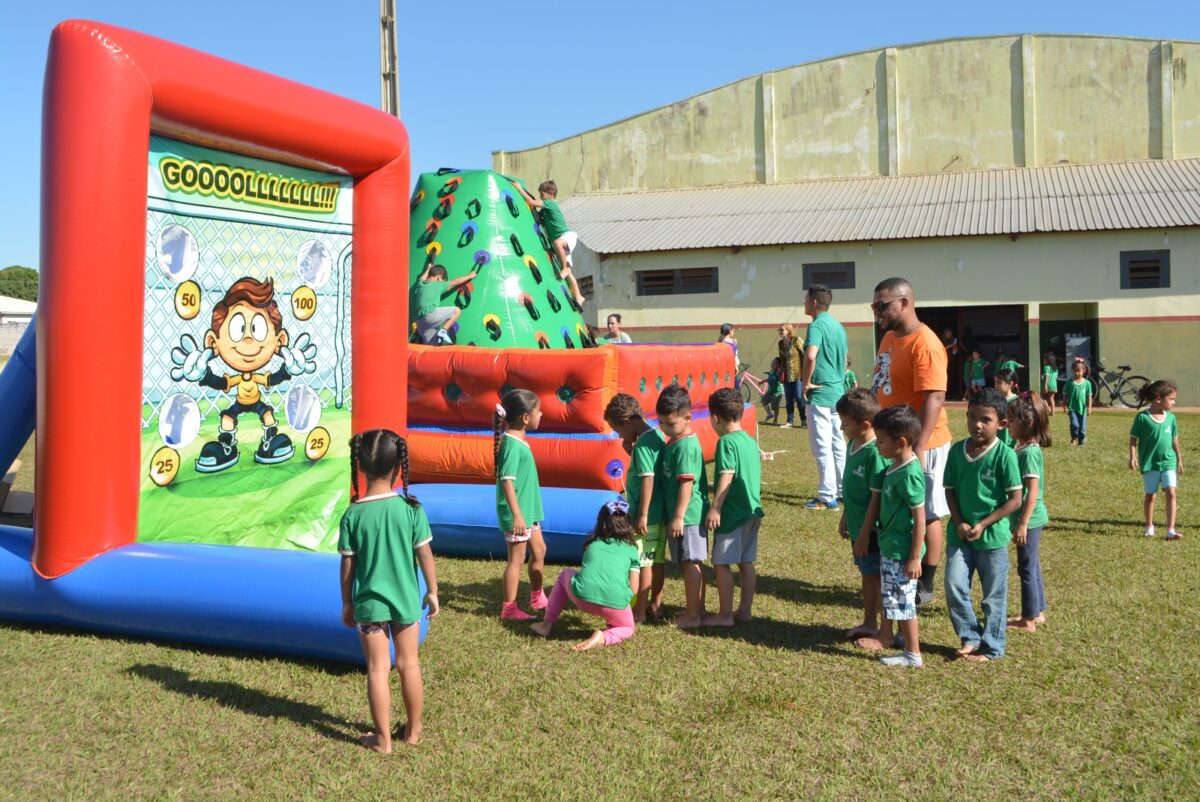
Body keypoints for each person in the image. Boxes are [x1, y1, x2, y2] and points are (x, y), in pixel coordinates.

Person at [339, 429, 439, 752]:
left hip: (369, 606)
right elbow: (425, 555)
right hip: (407, 603)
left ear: (361, 467)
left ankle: (383, 740)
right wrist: (433, 591)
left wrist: (347, 602)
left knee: (377, 669)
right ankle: (413, 732)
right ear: (398, 467)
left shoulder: (353, 515)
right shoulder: (411, 509)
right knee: (409, 664)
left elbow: (347, 568)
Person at [869, 277, 949, 607]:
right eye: (874, 306)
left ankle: (925, 582)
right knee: (900, 508)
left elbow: (935, 396)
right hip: (894, 442)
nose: (877, 313)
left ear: (904, 303)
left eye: (882, 305)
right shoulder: (889, 337)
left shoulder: (924, 343)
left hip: (922, 444)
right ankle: (904, 569)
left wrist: (918, 445)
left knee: (926, 512)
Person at [943, 389, 1023, 662]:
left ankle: (992, 647)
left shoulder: (1005, 456)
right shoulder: (956, 452)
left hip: (992, 539)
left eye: (985, 419)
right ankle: (970, 635)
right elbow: (950, 490)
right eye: (972, 417)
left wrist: (984, 524)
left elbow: (1015, 499)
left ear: (1001, 423)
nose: (977, 424)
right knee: (954, 585)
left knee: (993, 597)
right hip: (959, 536)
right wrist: (959, 521)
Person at [531, 500, 640, 650]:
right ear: (628, 525)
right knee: (628, 628)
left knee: (565, 574)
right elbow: (634, 590)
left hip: (582, 597)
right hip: (616, 604)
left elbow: (590, 573)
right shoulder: (632, 550)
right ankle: (603, 637)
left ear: (601, 523)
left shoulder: (593, 544)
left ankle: (546, 624)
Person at [866, 406, 927, 668]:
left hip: (903, 553)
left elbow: (921, 518)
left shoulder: (910, 474)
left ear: (901, 442)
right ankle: (906, 646)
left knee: (903, 603)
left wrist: (914, 558)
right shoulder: (894, 466)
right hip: (891, 547)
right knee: (895, 600)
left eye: (881, 440)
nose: (877, 445)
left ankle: (913, 655)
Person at [703, 388, 765, 626]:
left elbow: (727, 476)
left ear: (715, 417)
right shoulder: (749, 440)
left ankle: (725, 614)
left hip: (733, 513)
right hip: (752, 511)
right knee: (746, 562)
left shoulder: (726, 442)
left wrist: (715, 507)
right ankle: (745, 611)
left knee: (721, 562)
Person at [603, 394, 667, 621]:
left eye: (618, 430)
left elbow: (648, 479)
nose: (619, 435)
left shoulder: (643, 444)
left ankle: (638, 612)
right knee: (656, 561)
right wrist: (631, 451)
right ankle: (655, 605)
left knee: (643, 563)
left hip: (647, 516)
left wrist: (642, 514)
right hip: (660, 513)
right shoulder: (655, 435)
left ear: (627, 422)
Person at [837, 389, 889, 642]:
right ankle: (869, 622)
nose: (840, 427)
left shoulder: (875, 454)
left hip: (873, 532)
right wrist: (846, 515)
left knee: (877, 577)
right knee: (868, 576)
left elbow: (877, 499)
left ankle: (882, 628)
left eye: (845, 423)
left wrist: (865, 534)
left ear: (865, 425)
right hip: (858, 528)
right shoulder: (852, 443)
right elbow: (851, 489)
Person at [657, 384, 710, 629]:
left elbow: (687, 484)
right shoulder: (676, 441)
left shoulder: (686, 446)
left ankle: (693, 615)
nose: (665, 429)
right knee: (688, 562)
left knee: (691, 562)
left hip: (688, 516)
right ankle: (696, 608)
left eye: (670, 424)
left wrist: (678, 517)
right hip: (683, 516)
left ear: (688, 418)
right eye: (661, 423)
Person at [494, 388, 547, 620]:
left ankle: (537, 595)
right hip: (518, 514)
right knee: (516, 559)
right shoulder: (511, 446)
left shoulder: (518, 441)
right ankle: (509, 608)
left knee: (540, 550)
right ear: (526, 417)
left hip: (528, 510)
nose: (541, 414)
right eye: (538, 411)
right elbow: (507, 481)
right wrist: (517, 515)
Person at [1006, 394, 1052, 633]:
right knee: (1032, 565)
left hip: (1030, 520)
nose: (1007, 424)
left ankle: (1028, 621)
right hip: (1027, 519)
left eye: (1011, 420)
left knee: (1025, 567)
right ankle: (1037, 610)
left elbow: (1032, 492)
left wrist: (1023, 523)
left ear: (1028, 423)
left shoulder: (1030, 452)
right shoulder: (1020, 447)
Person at [801, 284, 848, 510]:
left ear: (814, 303)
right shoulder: (839, 327)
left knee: (821, 445)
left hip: (820, 394)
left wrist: (806, 382)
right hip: (838, 394)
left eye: (805, 299)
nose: (803, 303)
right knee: (838, 444)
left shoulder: (816, 326)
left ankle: (826, 496)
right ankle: (842, 491)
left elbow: (811, 356)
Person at [511, 179, 585, 307]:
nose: (540, 197)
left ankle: (563, 269)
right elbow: (537, 217)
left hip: (566, 236)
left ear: (550, 194)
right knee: (569, 271)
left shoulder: (551, 203)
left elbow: (532, 202)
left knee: (558, 245)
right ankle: (578, 296)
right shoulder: (546, 210)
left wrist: (519, 189)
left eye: (542, 194)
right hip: (560, 242)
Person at [1130, 380, 1183, 540]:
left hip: (1168, 462)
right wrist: (1132, 456)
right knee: (1150, 495)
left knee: (1171, 492)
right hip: (1150, 463)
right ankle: (1149, 526)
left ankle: (1170, 530)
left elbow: (1174, 439)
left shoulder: (1171, 418)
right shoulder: (1142, 418)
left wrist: (1179, 459)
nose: (1174, 403)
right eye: (1171, 399)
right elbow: (1133, 439)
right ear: (1158, 399)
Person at [413, 262, 476, 346]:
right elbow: (455, 282)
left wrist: (428, 268)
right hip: (430, 315)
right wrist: (469, 276)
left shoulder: (421, 285)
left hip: (419, 322)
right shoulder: (437, 284)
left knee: (434, 345)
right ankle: (443, 331)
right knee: (457, 311)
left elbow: (421, 278)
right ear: (439, 278)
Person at [777, 323, 807, 428]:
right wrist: (780, 370)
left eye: (782, 330)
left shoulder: (796, 340)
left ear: (789, 330)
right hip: (786, 375)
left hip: (798, 374)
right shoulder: (780, 343)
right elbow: (781, 359)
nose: (780, 332)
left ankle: (804, 420)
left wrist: (806, 371)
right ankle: (790, 421)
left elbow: (805, 354)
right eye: (779, 330)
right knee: (789, 398)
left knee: (799, 397)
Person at [1065, 359, 1092, 446]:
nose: (1077, 373)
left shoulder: (1087, 383)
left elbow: (1089, 396)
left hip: (1083, 409)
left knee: (1082, 427)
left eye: (1079, 371)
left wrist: (1089, 407)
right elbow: (1064, 394)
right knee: (1074, 425)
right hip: (1072, 408)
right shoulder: (1070, 382)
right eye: (1075, 371)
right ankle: (1073, 439)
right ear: (1072, 371)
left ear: (1083, 371)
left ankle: (1082, 441)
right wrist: (1065, 405)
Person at [993, 368, 1019, 447]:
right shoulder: (996, 401)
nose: (996, 385)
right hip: (997, 442)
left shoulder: (1017, 402)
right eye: (995, 382)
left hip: (1010, 444)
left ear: (1010, 384)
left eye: (999, 382)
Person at [761, 357, 783, 424]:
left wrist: (780, 371)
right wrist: (763, 381)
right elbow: (770, 379)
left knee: (775, 407)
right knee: (764, 402)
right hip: (770, 392)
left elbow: (780, 376)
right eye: (773, 362)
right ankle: (770, 414)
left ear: (779, 365)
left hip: (776, 393)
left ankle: (775, 420)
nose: (773, 364)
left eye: (775, 363)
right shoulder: (771, 371)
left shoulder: (777, 372)